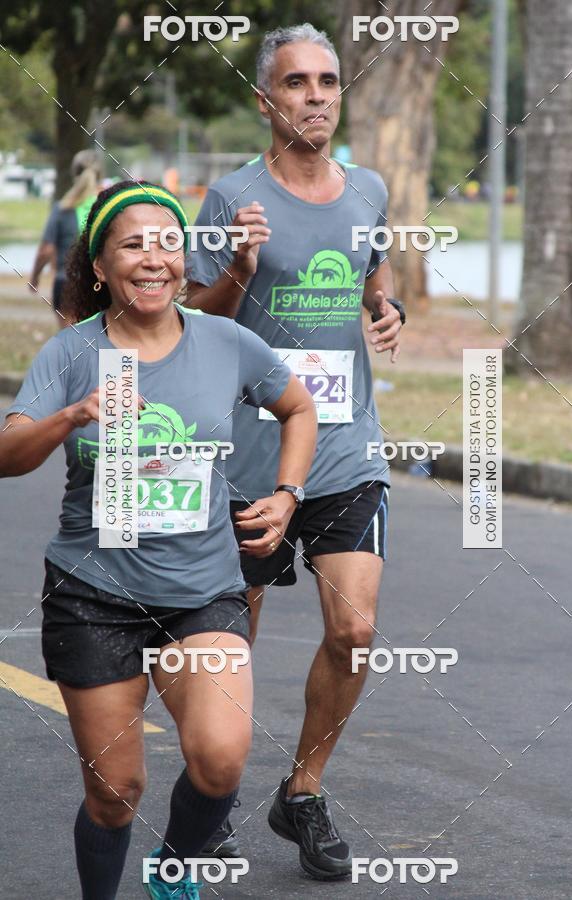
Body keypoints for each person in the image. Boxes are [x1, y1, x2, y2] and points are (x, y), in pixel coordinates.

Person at [1, 180, 317, 899]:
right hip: (95, 593)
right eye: (133, 245)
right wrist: (72, 415)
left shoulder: (227, 342)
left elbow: (297, 408)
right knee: (116, 792)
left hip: (202, 588)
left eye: (169, 243)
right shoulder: (73, 351)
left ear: (185, 260)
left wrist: (287, 495)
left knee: (221, 759)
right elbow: (8, 452)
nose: (154, 258)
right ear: (101, 267)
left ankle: (172, 871)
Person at [185, 23, 404, 880]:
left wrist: (386, 314)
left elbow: (372, 281)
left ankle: (302, 792)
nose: (315, 95)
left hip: (347, 447)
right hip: (249, 455)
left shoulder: (369, 190)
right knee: (232, 638)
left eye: (327, 81)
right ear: (264, 98)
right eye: (297, 83)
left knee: (354, 628)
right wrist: (239, 264)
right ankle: (213, 795)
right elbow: (195, 325)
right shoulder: (231, 197)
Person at [29, 149, 103, 326]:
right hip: (102, 284)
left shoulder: (62, 208)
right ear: (100, 174)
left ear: (73, 173)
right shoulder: (106, 207)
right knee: (107, 344)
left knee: (72, 343)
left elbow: (46, 250)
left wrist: (35, 278)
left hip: (67, 283)